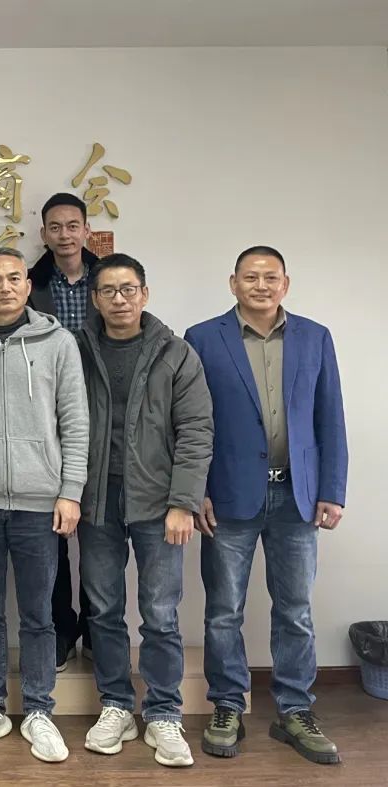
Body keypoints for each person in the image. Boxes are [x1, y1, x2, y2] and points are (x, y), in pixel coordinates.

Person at [186, 246, 347, 765]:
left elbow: (330, 417)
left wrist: (332, 489)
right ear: (233, 283)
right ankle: (227, 706)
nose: (261, 285)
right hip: (228, 495)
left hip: (297, 496)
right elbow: (192, 422)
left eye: (270, 277)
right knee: (223, 612)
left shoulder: (315, 337)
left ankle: (295, 710)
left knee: (295, 610)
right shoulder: (202, 338)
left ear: (285, 284)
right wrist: (195, 489)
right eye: (251, 277)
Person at [0, 247, 88, 761]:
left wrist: (70, 491)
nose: (4, 287)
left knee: (38, 613)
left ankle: (38, 709)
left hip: (39, 503)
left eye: (14, 278)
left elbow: (75, 421)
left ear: (28, 286)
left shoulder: (60, 343)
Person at [76, 254, 213, 768]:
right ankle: (116, 705)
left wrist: (183, 502)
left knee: (160, 613)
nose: (119, 299)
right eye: (109, 291)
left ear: (145, 294)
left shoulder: (175, 353)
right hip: (96, 500)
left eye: (128, 289)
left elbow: (196, 431)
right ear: (95, 299)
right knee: (104, 610)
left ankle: (163, 712)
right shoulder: (77, 350)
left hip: (159, 504)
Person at [30, 192, 100, 671]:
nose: (64, 235)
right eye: (55, 227)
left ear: (86, 229)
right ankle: (60, 628)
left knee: (97, 535)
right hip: (45, 421)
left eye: (72, 225)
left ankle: (96, 628)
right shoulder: (29, 282)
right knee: (49, 535)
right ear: (43, 234)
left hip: (102, 414)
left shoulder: (109, 277)